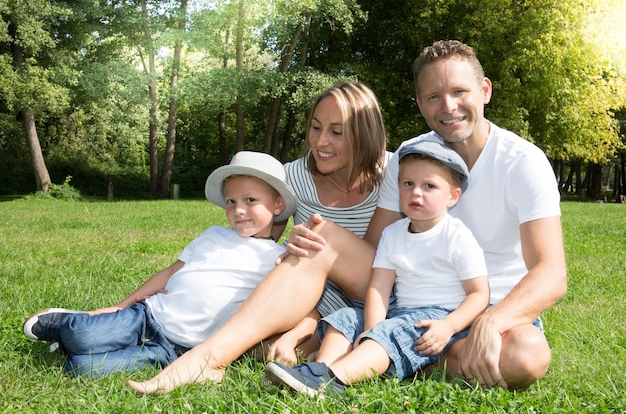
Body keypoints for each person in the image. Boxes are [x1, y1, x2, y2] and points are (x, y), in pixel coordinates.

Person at [127, 40, 567, 394]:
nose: (447, 106)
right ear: (420, 102)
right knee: (319, 235)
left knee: (527, 358)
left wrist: (492, 320)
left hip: (486, 303)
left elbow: (551, 274)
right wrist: (318, 261)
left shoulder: (521, 162)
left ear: (485, 91)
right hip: (407, 298)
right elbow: (376, 254)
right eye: (434, 96)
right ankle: (209, 358)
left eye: (459, 92)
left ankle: (376, 361)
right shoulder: (407, 160)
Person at [22, 151, 297, 377]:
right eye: (231, 201)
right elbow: (170, 272)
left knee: (80, 368)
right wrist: (122, 306)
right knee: (78, 336)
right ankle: (73, 322)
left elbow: (279, 310)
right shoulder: (214, 235)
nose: (238, 210)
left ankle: (80, 342)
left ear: (276, 204)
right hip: (149, 317)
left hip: (176, 350)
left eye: (251, 200)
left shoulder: (277, 261)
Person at [263, 139, 490, 397]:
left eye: (429, 186)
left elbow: (479, 294)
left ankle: (333, 381)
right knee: (346, 318)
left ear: (453, 196)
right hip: (400, 311)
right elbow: (379, 287)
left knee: (393, 333)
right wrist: (371, 330)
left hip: (440, 319)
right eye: (408, 184)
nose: (416, 192)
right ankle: (319, 369)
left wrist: (449, 325)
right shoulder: (393, 234)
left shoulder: (456, 236)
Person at [262, 81, 390, 365]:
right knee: (264, 348)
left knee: (323, 237)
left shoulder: (395, 175)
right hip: (316, 300)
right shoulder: (293, 177)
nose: (320, 142)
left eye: (336, 132)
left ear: (364, 135)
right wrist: (288, 246)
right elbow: (260, 244)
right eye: (316, 127)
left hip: (379, 295)